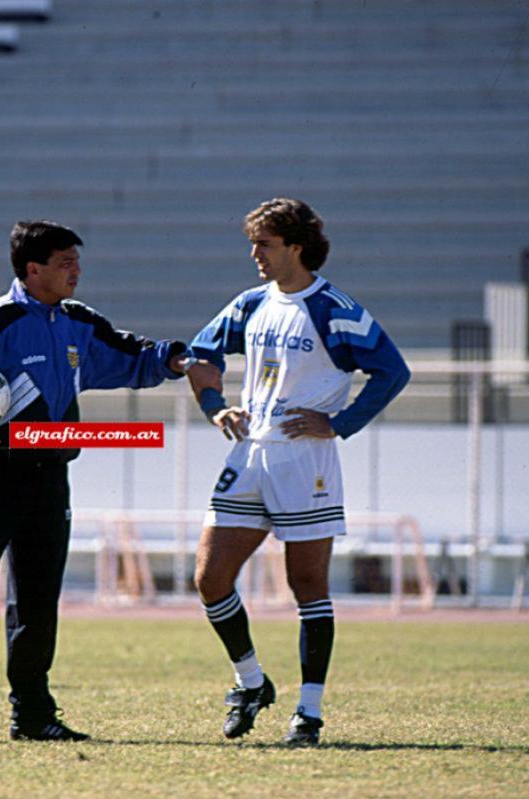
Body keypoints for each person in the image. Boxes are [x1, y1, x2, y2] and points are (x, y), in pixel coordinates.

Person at [0, 220, 191, 743]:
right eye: (65, 263)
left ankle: (32, 715)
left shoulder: (79, 321)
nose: (76, 271)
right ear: (32, 270)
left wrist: (176, 359)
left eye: (77, 262)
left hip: (50, 475)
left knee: (37, 598)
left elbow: (130, 354)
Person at [185, 198, 410, 746]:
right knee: (210, 578)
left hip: (306, 461)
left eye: (264, 243)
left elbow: (391, 371)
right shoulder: (250, 304)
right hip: (248, 453)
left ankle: (308, 713)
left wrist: (339, 422)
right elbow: (200, 354)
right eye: (254, 243)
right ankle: (251, 682)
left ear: (296, 247)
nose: (254, 253)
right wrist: (216, 405)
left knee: (306, 584)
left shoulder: (335, 308)